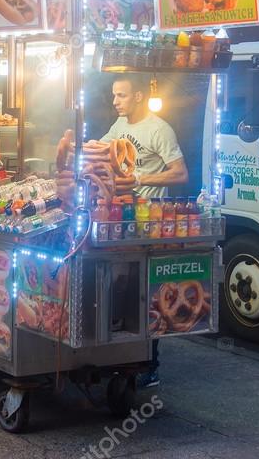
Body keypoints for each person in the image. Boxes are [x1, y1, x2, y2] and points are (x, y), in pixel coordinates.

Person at [100, 75, 188, 389]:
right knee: (121, 286)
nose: (115, 101)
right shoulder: (119, 127)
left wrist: (140, 179)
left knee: (147, 294)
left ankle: (150, 365)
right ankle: (119, 356)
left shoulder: (158, 129)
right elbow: (103, 151)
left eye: (121, 95)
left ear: (138, 96)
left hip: (150, 221)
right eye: (114, 95)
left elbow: (180, 173)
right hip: (121, 217)